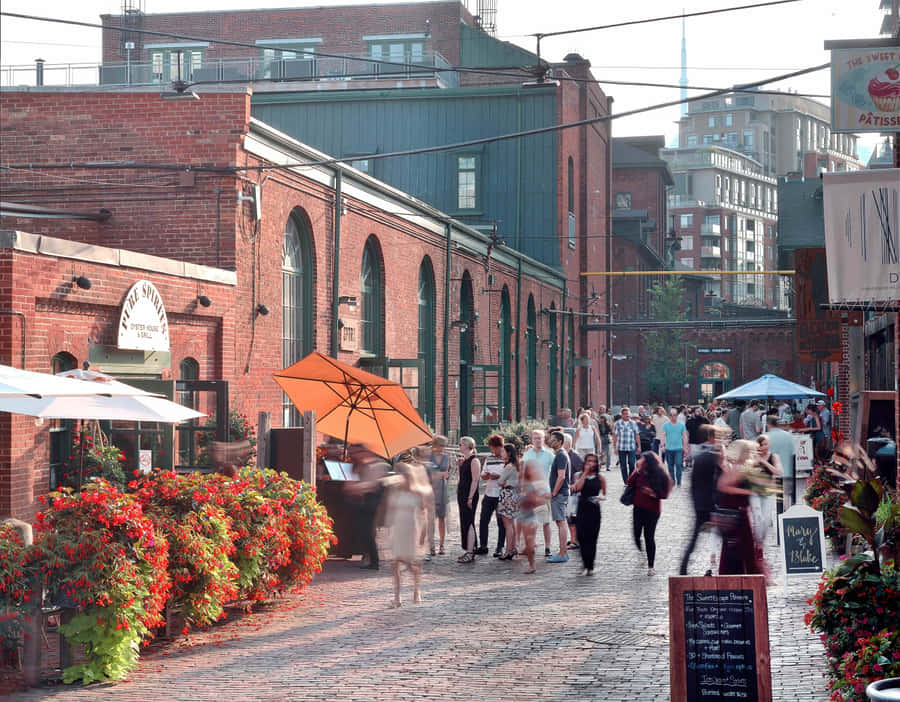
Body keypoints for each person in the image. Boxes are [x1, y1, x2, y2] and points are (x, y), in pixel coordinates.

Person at [717, 440, 766, 575]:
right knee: (741, 547)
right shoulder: (737, 469)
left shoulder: (742, 467)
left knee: (743, 547)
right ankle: (741, 578)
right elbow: (723, 486)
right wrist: (747, 492)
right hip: (735, 513)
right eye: (750, 451)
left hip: (740, 512)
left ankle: (742, 577)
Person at [385, 462, 431, 607]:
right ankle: (397, 597)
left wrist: (423, 534)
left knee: (410, 563)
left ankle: (416, 591)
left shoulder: (417, 492)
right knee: (395, 563)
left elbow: (424, 514)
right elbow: (390, 510)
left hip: (411, 528)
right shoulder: (395, 490)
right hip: (398, 527)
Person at [679, 425, 722, 575]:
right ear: (711, 437)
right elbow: (718, 483)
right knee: (729, 538)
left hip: (700, 505)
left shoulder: (699, 458)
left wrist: (696, 504)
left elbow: (692, 485)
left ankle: (683, 569)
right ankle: (730, 568)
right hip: (712, 505)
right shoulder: (714, 457)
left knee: (693, 541)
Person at [626, 451, 673, 576]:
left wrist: (653, 493)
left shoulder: (660, 474)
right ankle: (641, 551)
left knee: (649, 537)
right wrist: (637, 470)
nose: (640, 460)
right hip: (638, 508)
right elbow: (629, 483)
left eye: (642, 459)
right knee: (636, 533)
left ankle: (651, 566)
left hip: (652, 510)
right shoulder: (639, 472)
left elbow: (665, 493)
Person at [347, 445, 390, 570]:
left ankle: (374, 561)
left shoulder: (378, 465)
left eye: (355, 453)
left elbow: (373, 485)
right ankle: (370, 559)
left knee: (368, 532)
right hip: (364, 502)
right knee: (363, 531)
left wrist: (357, 487)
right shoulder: (360, 466)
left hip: (372, 504)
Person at [522, 429, 555, 557]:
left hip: (544, 492)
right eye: (535, 438)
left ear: (543, 439)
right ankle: (532, 545)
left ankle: (547, 547)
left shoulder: (549, 455)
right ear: (532, 440)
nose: (537, 440)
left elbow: (555, 473)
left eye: (540, 438)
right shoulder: (527, 455)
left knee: (546, 522)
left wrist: (551, 490)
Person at [571, 453, 606, 575]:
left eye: (593, 461)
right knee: (581, 537)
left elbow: (604, 493)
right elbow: (577, 488)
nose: (591, 463)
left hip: (594, 509)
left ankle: (590, 566)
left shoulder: (600, 477)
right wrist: (585, 473)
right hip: (582, 508)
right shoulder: (579, 475)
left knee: (592, 538)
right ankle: (585, 562)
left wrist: (600, 497)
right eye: (588, 461)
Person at [517, 459, 551, 574]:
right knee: (527, 544)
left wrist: (531, 499)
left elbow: (543, 499)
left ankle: (532, 565)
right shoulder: (522, 481)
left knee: (529, 543)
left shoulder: (535, 484)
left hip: (531, 516)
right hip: (523, 515)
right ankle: (531, 564)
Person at [476, 434, 506, 557]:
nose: (493, 450)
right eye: (491, 448)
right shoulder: (489, 459)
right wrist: (487, 475)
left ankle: (500, 547)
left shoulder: (506, 459)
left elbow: (511, 476)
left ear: (500, 447)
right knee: (483, 520)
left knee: (501, 522)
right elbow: (482, 475)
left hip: (501, 495)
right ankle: (483, 545)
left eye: (494, 448)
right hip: (489, 493)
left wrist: (498, 477)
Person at [752, 434, 783, 544]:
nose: (765, 447)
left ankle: (760, 540)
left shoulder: (773, 456)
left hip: (767, 490)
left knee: (766, 519)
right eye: (762, 445)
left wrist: (764, 462)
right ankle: (758, 543)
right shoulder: (753, 456)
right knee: (757, 518)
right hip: (754, 490)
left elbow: (778, 472)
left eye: (766, 444)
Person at [546, 430, 572, 563]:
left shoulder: (561, 455)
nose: (550, 442)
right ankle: (563, 552)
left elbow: (561, 476)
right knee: (560, 521)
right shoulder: (560, 455)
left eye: (553, 440)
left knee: (561, 522)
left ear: (560, 442)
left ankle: (562, 553)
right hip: (561, 493)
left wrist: (554, 492)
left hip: (560, 493)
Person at [424, 435, 451, 556]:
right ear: (435, 445)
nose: (443, 448)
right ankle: (431, 546)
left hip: (442, 489)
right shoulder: (428, 457)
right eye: (441, 445)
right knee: (430, 520)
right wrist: (440, 474)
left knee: (441, 519)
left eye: (444, 445)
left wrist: (439, 474)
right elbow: (428, 475)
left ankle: (442, 545)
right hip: (430, 490)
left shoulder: (446, 457)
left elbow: (447, 474)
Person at [456, 436, 481, 563]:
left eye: (461, 444)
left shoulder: (474, 460)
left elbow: (475, 480)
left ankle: (471, 552)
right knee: (464, 521)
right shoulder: (465, 460)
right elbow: (463, 478)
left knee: (469, 521)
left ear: (467, 446)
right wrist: (459, 466)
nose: (459, 446)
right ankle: (468, 549)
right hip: (462, 494)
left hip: (469, 495)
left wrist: (470, 497)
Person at [764, 415, 795, 511]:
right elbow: (793, 453)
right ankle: (785, 520)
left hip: (771, 474)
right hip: (787, 471)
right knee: (787, 500)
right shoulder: (788, 435)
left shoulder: (765, 437)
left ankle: (774, 520)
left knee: (771, 501)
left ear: (768, 424)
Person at [497, 443, 520, 560]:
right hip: (514, 494)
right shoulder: (516, 465)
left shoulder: (509, 466)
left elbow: (500, 482)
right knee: (512, 523)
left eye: (503, 452)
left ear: (509, 453)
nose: (501, 454)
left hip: (507, 495)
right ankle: (514, 548)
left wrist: (504, 482)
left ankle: (508, 550)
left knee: (508, 524)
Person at [564, 434, 584, 550]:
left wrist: (575, 484)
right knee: (569, 517)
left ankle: (575, 540)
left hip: (574, 492)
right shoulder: (564, 455)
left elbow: (583, 472)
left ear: (567, 443)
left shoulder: (574, 456)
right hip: (568, 491)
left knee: (572, 517)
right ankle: (573, 538)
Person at [660, 408, 688, 487]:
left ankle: (679, 481)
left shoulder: (681, 425)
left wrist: (685, 447)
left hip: (678, 449)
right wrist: (662, 446)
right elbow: (663, 436)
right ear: (669, 416)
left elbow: (684, 436)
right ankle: (672, 480)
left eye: (674, 415)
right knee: (670, 466)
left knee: (678, 464)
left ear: (677, 416)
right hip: (668, 449)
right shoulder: (665, 425)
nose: (673, 417)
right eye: (671, 415)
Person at [612, 406, 640, 483]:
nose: (626, 415)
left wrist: (639, 446)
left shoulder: (633, 423)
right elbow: (614, 436)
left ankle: (631, 479)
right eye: (624, 414)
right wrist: (614, 447)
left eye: (627, 414)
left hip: (631, 447)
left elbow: (637, 435)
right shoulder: (617, 424)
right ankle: (626, 481)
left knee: (631, 464)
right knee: (623, 466)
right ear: (622, 415)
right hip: (621, 447)